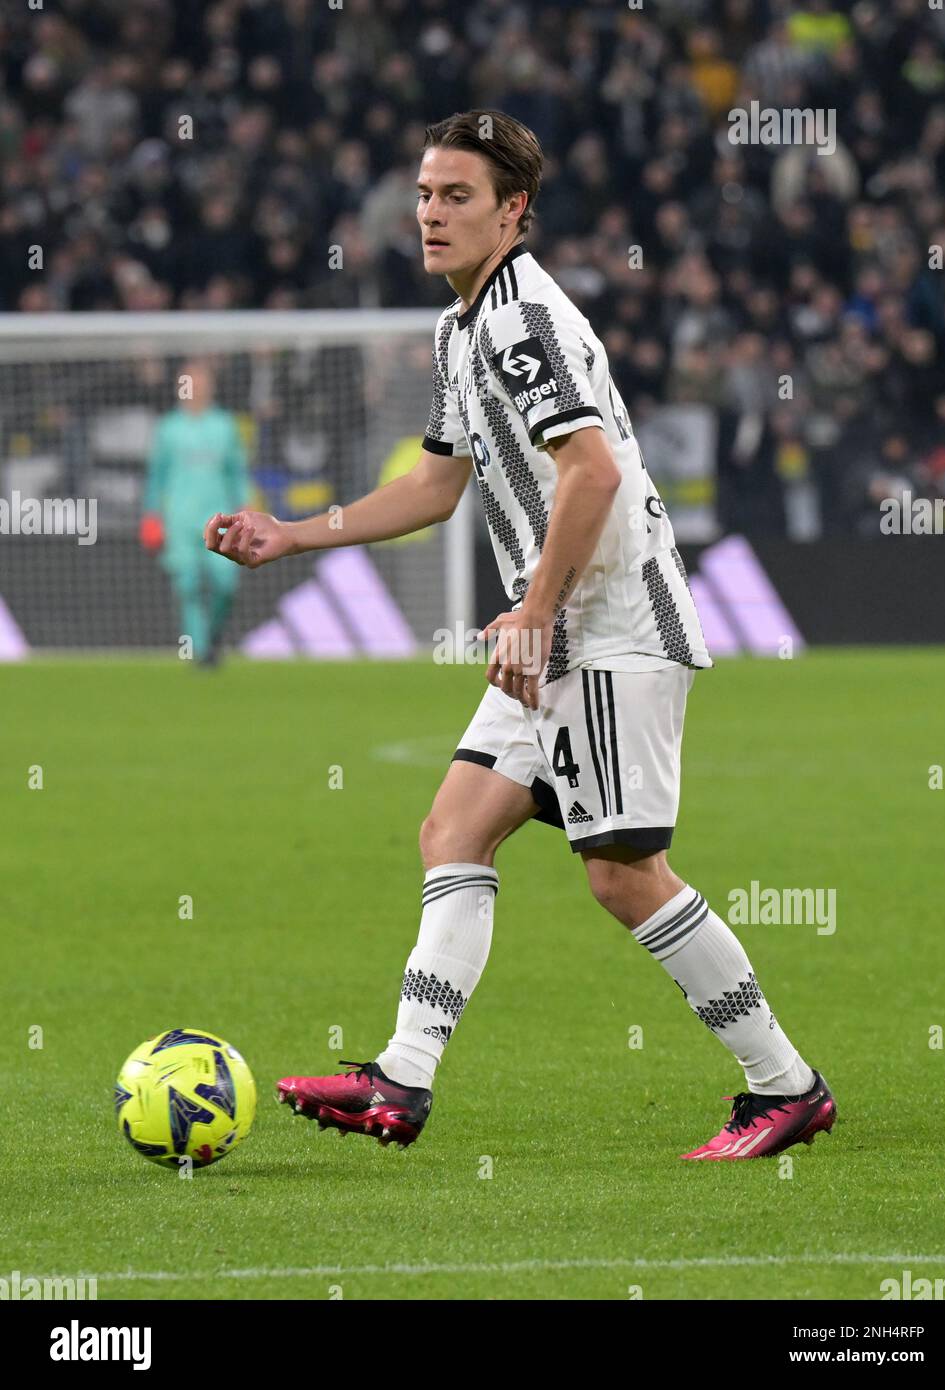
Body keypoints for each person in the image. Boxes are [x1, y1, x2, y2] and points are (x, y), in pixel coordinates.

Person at [204, 110, 835, 1160]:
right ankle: (400, 1079)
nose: (431, 214)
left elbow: (590, 471)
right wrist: (291, 535)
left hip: (606, 626)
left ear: (512, 213)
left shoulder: (516, 321)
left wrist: (535, 615)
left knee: (622, 871)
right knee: (453, 830)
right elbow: (435, 483)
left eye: (457, 197)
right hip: (551, 632)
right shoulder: (462, 326)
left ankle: (784, 1086)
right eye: (423, 194)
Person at [143, 360, 248, 665]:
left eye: (201, 382)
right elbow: (157, 477)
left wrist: (246, 505)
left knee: (225, 585)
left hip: (220, 519)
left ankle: (213, 635)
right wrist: (151, 515)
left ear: (210, 387)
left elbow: (236, 472)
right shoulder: (168, 428)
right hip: (179, 519)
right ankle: (201, 650)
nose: (195, 389)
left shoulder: (225, 426)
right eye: (190, 382)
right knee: (186, 585)